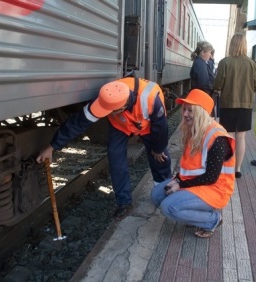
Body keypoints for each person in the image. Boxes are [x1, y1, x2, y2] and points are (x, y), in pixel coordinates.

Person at [37, 76, 172, 220]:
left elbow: (161, 127)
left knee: (160, 157)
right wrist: (52, 146)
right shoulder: (105, 99)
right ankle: (123, 203)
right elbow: (77, 124)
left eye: (110, 111)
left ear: (122, 107)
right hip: (121, 125)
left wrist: (158, 149)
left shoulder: (151, 100)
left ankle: (164, 191)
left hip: (148, 125)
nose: (105, 113)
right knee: (115, 156)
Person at [150, 89, 235, 238]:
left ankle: (212, 220)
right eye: (184, 110)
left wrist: (180, 185)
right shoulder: (195, 131)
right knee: (157, 195)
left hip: (215, 189)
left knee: (168, 207)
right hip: (196, 184)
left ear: (201, 113)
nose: (185, 114)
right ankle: (195, 213)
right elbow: (190, 168)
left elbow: (210, 177)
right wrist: (177, 179)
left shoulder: (217, 138)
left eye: (190, 110)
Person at [213, 33, 256, 178]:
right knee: (241, 137)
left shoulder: (224, 62)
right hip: (245, 105)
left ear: (231, 44)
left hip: (228, 104)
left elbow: (218, 84)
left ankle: (226, 167)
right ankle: (237, 168)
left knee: (228, 136)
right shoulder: (252, 63)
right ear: (245, 45)